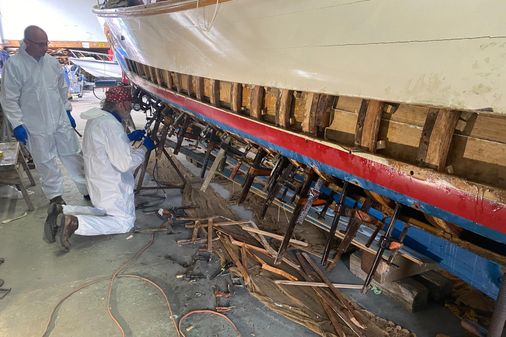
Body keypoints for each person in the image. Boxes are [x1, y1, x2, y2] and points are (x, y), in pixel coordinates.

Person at [44, 85, 155, 251]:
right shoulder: (112, 126)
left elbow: (106, 144)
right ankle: (75, 222)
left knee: (103, 212)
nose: (130, 108)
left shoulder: (97, 117)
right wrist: (144, 148)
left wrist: (127, 137)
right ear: (122, 104)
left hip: (97, 183)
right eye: (129, 104)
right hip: (111, 186)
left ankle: (62, 209)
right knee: (124, 222)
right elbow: (125, 164)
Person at [0, 25, 88, 205]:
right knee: (45, 161)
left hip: (59, 119)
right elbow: (9, 98)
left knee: (73, 154)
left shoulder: (51, 62)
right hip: (35, 125)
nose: (45, 48)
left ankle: (87, 189)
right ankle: (55, 196)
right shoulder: (15, 65)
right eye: (40, 44)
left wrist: (67, 110)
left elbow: (61, 89)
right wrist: (16, 123)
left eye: (46, 43)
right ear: (27, 43)